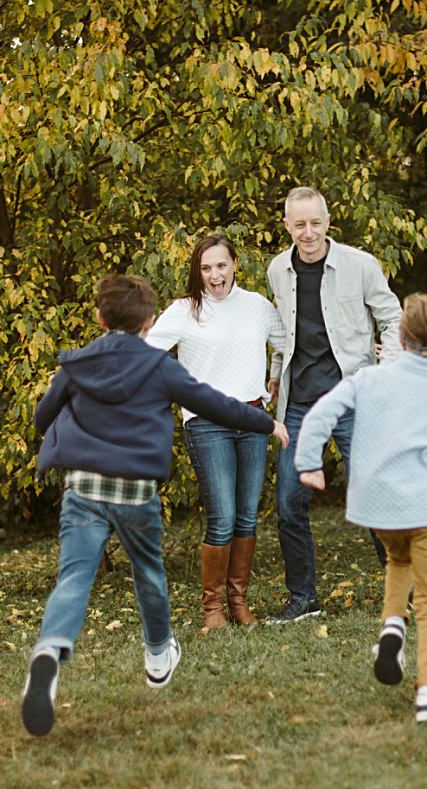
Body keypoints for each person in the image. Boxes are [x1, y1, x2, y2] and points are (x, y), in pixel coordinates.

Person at [22, 274, 290, 737]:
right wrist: (265, 423)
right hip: (135, 491)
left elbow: (41, 418)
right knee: (148, 573)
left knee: (74, 577)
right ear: (149, 322)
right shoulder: (158, 366)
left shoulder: (76, 365)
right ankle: (159, 653)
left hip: (83, 490)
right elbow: (213, 403)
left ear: (99, 318)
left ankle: (49, 650)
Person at [295, 293, 427, 722]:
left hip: (378, 506)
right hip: (425, 507)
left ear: (400, 340)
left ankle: (392, 626)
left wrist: (310, 463)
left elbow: (319, 414)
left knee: (398, 560)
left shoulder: (369, 379)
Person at [265, 185, 402, 624]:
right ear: (287, 225)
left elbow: (392, 317)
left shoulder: (360, 265)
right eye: (299, 224)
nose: (308, 232)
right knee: (288, 503)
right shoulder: (277, 269)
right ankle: (303, 598)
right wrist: (274, 374)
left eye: (315, 223)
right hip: (298, 406)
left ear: (328, 221)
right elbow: (283, 333)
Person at [146, 234, 286, 630]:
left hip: (253, 418)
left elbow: (287, 345)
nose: (214, 275)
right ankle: (213, 609)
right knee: (222, 517)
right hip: (207, 423)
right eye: (206, 268)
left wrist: (276, 376)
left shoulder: (258, 306)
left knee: (247, 517)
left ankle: (239, 603)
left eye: (221, 265)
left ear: (235, 264)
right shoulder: (184, 310)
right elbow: (146, 352)